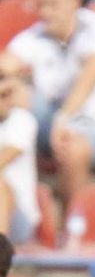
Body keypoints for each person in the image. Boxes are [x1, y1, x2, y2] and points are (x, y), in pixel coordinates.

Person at [4, 0, 95, 219]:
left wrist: (63, 119)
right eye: (42, 5)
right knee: (18, 95)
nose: (46, 12)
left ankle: (71, 226)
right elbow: (7, 63)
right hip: (56, 125)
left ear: (74, 1)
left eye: (53, 4)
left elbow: (89, 77)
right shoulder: (37, 34)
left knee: (73, 149)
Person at [0, 64, 40, 245]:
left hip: (18, 219)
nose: (5, 100)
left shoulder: (21, 120)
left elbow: (6, 157)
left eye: (9, 94)